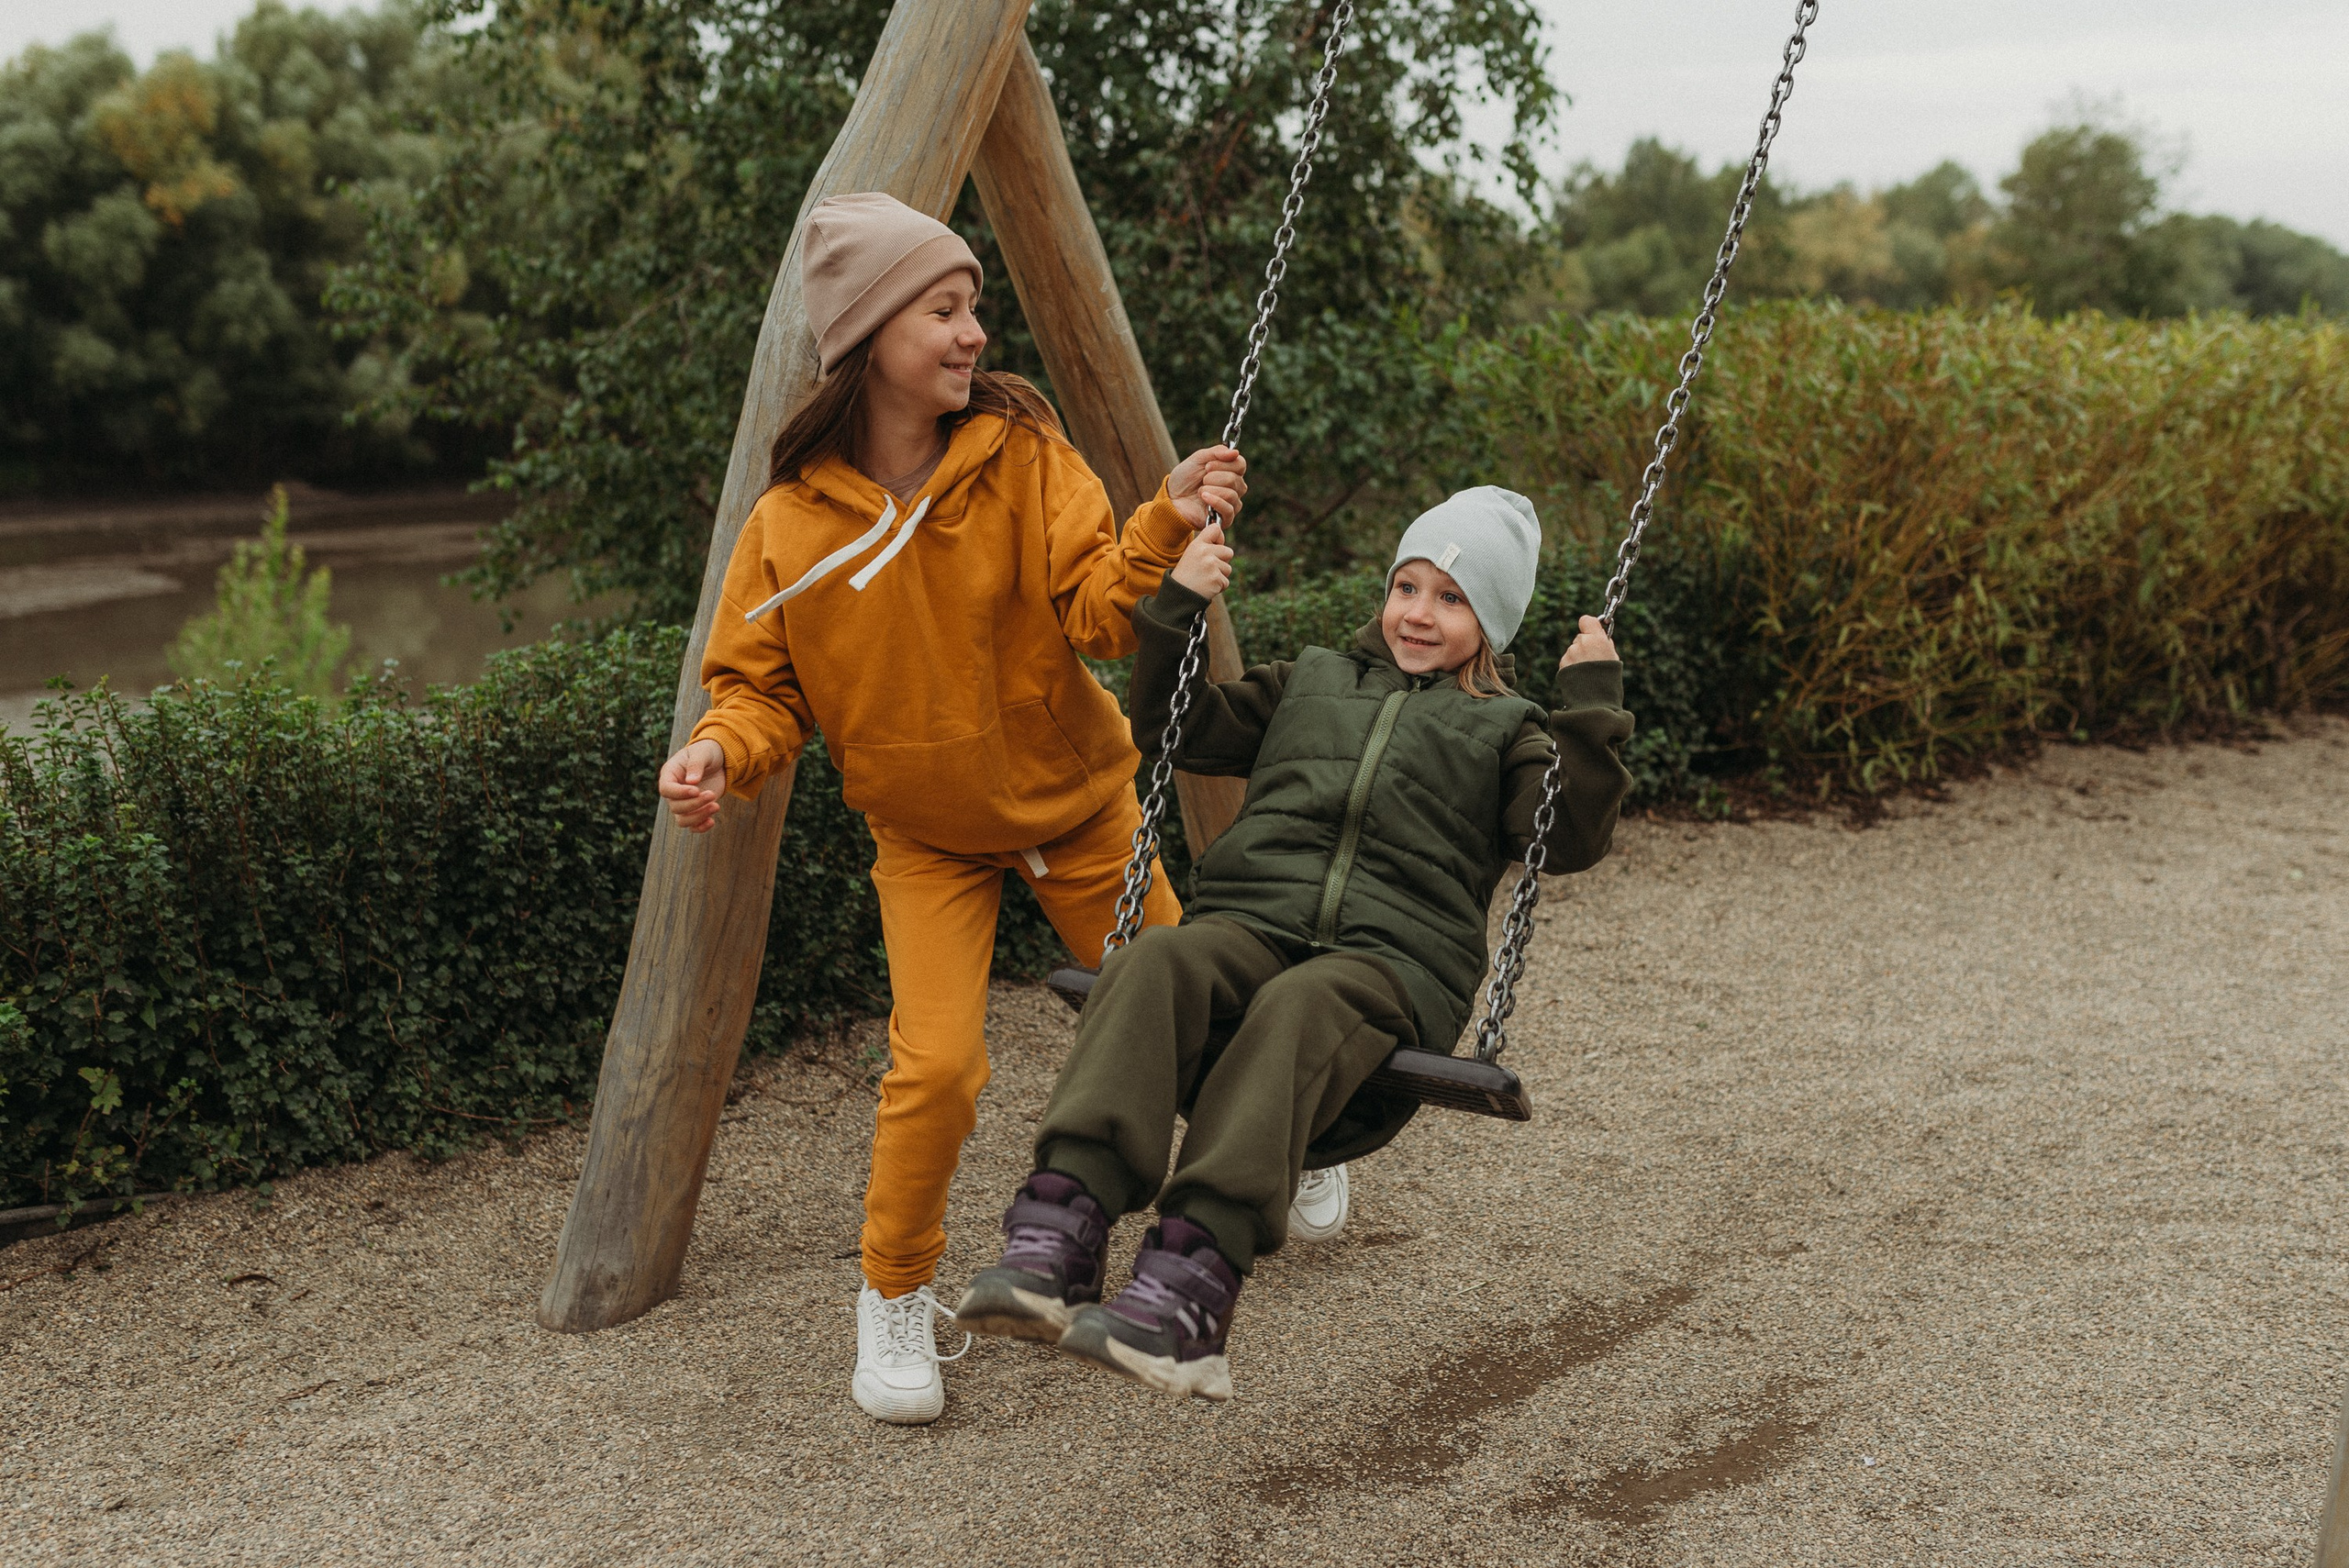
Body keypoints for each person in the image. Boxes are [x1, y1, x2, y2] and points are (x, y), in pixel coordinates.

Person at [656, 192, 1245, 1425]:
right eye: (944, 309)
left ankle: (1259, 1175)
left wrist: (1162, 525)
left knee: (1191, 1021)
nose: (974, 331)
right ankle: (892, 1295)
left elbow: (1095, 607)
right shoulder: (789, 523)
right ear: (872, 336)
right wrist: (722, 750)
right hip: (925, 834)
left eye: (974, 305)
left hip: (1076, 807)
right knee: (938, 1067)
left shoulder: (1021, 456)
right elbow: (760, 690)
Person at [953, 486, 1634, 1400]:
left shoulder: (1507, 730)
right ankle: (1056, 1232)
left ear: (1492, 622)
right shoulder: (1304, 678)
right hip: (1251, 921)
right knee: (1153, 956)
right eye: (1407, 585)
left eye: (1451, 598)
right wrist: (1177, 608)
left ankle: (1190, 1285)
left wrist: (1589, 701)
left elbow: (1566, 838)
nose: (1418, 613)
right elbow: (1174, 729)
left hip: (1388, 968)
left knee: (1299, 1002)